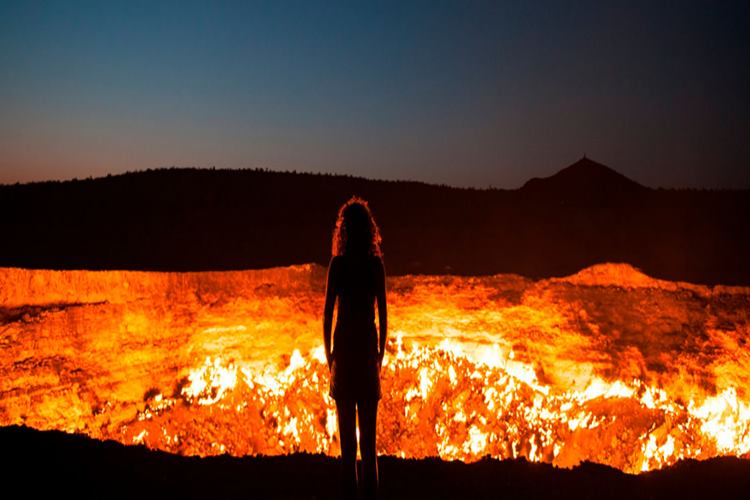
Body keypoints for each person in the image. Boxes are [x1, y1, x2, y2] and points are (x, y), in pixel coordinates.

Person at [323, 196, 387, 500]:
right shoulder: (375, 266)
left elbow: (326, 315)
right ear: (369, 230)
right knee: (369, 447)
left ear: (344, 230)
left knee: (348, 448)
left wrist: (329, 357)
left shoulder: (337, 265)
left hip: (345, 357)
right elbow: (384, 317)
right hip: (365, 356)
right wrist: (379, 357)